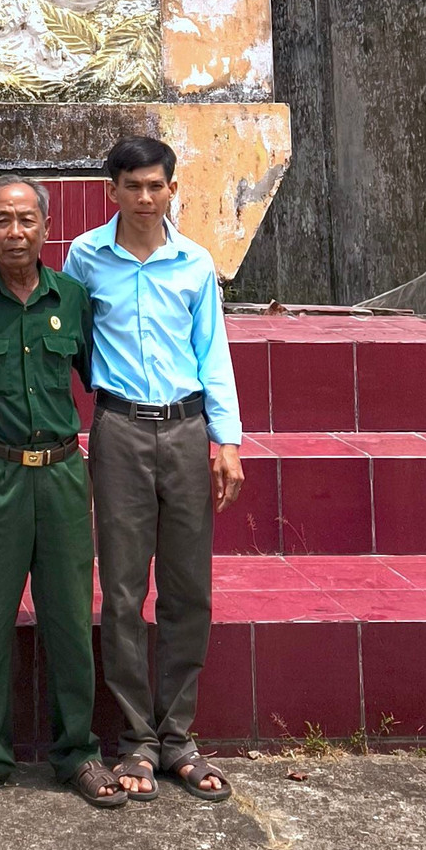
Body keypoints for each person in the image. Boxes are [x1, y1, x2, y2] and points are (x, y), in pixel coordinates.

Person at [63, 136, 242, 804]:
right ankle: (136, 738)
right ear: (112, 190)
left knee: (188, 588)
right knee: (122, 590)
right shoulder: (86, 257)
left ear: (172, 190)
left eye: (156, 186)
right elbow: (72, 338)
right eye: (132, 185)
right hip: (119, 430)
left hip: (187, 426)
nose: (145, 197)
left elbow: (212, 351)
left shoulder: (194, 263)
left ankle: (179, 738)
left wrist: (227, 440)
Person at [0, 177, 125, 812]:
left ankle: (78, 752)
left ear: (46, 228)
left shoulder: (71, 297)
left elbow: (103, 373)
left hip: (64, 474)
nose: (15, 232)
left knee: (71, 615)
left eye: (27, 220)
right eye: (2, 221)